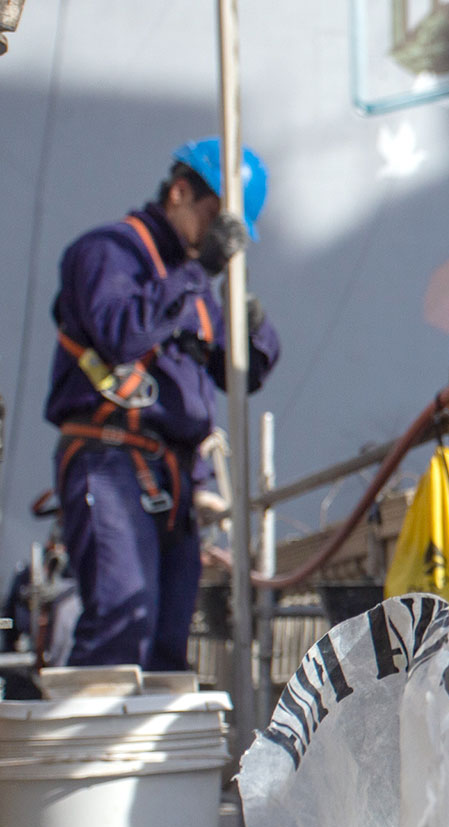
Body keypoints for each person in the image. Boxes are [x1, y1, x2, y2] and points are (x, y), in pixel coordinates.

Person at [42, 138, 280, 671]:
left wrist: (255, 329)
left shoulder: (187, 280)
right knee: (122, 626)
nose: (223, 239)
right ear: (179, 192)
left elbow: (241, 374)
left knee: (169, 644)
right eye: (217, 218)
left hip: (173, 476)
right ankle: (96, 754)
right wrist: (200, 273)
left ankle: (153, 755)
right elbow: (121, 334)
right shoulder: (107, 252)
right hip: (110, 460)